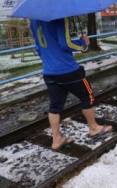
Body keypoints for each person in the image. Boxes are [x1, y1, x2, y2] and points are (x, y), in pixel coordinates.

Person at [30, 18, 112, 150]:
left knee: (55, 106)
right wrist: (83, 44)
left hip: (49, 72)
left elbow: (38, 47)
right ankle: (94, 128)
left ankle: (56, 139)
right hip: (68, 70)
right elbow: (65, 44)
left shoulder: (34, 20)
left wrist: (51, 60)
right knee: (87, 96)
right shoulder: (60, 17)